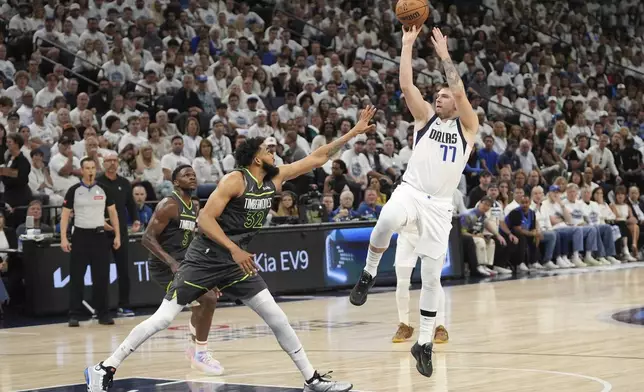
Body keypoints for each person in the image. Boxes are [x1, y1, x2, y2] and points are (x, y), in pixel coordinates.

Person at [85, 106, 378, 392]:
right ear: (255, 158)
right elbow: (204, 219)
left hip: (235, 264)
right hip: (205, 258)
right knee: (163, 318)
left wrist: (353, 131)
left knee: (277, 317)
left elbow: (317, 158)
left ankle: (311, 379)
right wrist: (234, 249)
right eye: (267, 150)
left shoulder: (275, 179)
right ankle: (104, 368)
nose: (273, 152)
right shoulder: (235, 180)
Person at [349, 27, 479, 378]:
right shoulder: (424, 119)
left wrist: (445, 57)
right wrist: (407, 45)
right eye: (436, 95)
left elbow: (462, 92)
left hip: (439, 206)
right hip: (410, 191)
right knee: (386, 222)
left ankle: (423, 343)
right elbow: (407, 86)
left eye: (444, 95)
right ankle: (369, 271)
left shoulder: (468, 126)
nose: (439, 98)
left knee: (432, 277)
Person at [141, 165, 222, 374]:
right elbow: (147, 238)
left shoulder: (194, 206)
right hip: (164, 266)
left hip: (184, 264)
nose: (192, 177)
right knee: (207, 299)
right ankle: (200, 353)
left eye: (194, 174)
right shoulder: (168, 205)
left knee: (206, 300)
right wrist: (171, 262)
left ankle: (195, 350)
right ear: (176, 182)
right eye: (186, 175)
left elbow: (189, 241)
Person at [62, 158, 121, 327]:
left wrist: (117, 235)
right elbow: (65, 215)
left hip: (99, 236)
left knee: (101, 277)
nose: (90, 171)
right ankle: (74, 314)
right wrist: (64, 238)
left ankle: (103, 313)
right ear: (81, 170)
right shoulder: (74, 190)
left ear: (96, 170)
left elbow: (113, 213)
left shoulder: (104, 189)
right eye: (87, 168)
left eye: (93, 168)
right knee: (77, 278)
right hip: (80, 236)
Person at [97, 151, 141, 317]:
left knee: (123, 269)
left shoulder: (124, 182)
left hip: (120, 231)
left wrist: (135, 219)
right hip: (101, 231)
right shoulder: (98, 183)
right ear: (103, 163)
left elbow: (130, 204)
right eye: (108, 161)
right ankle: (101, 307)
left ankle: (124, 305)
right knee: (101, 270)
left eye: (114, 160)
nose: (112, 163)